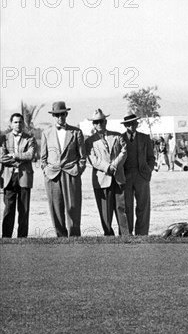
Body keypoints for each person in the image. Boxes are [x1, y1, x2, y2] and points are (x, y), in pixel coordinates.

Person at [41, 101, 87, 237]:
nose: (60, 117)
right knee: (55, 207)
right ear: (53, 116)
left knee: (73, 207)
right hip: (52, 175)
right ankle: (60, 236)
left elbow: (82, 157)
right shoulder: (46, 133)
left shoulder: (76, 132)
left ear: (66, 114)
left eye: (62, 114)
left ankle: (74, 236)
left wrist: (78, 170)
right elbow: (42, 158)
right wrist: (46, 170)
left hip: (71, 173)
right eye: (57, 115)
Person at [85, 109, 129, 236]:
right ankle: (108, 234)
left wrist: (114, 166)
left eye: (101, 121)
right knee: (105, 211)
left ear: (106, 121)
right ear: (93, 124)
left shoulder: (117, 136)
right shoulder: (89, 142)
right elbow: (92, 158)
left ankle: (125, 234)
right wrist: (106, 167)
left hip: (118, 177)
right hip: (102, 179)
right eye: (96, 122)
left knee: (121, 208)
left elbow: (124, 152)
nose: (99, 124)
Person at [1, 113, 37, 238]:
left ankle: (22, 239)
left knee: (24, 210)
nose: (18, 124)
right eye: (15, 122)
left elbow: (30, 155)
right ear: (11, 124)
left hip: (24, 177)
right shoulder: (3, 138)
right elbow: (2, 158)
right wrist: (20, 160)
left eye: (20, 122)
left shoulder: (30, 138)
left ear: (24, 123)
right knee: (8, 209)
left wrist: (14, 155)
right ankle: (6, 238)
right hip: (9, 178)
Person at [121, 114, 155, 235]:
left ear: (137, 124)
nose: (131, 126)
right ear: (125, 125)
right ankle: (127, 233)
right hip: (126, 177)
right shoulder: (120, 138)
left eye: (134, 123)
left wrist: (149, 169)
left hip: (142, 176)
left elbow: (151, 157)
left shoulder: (145, 138)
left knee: (143, 206)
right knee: (127, 206)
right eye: (128, 124)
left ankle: (142, 233)